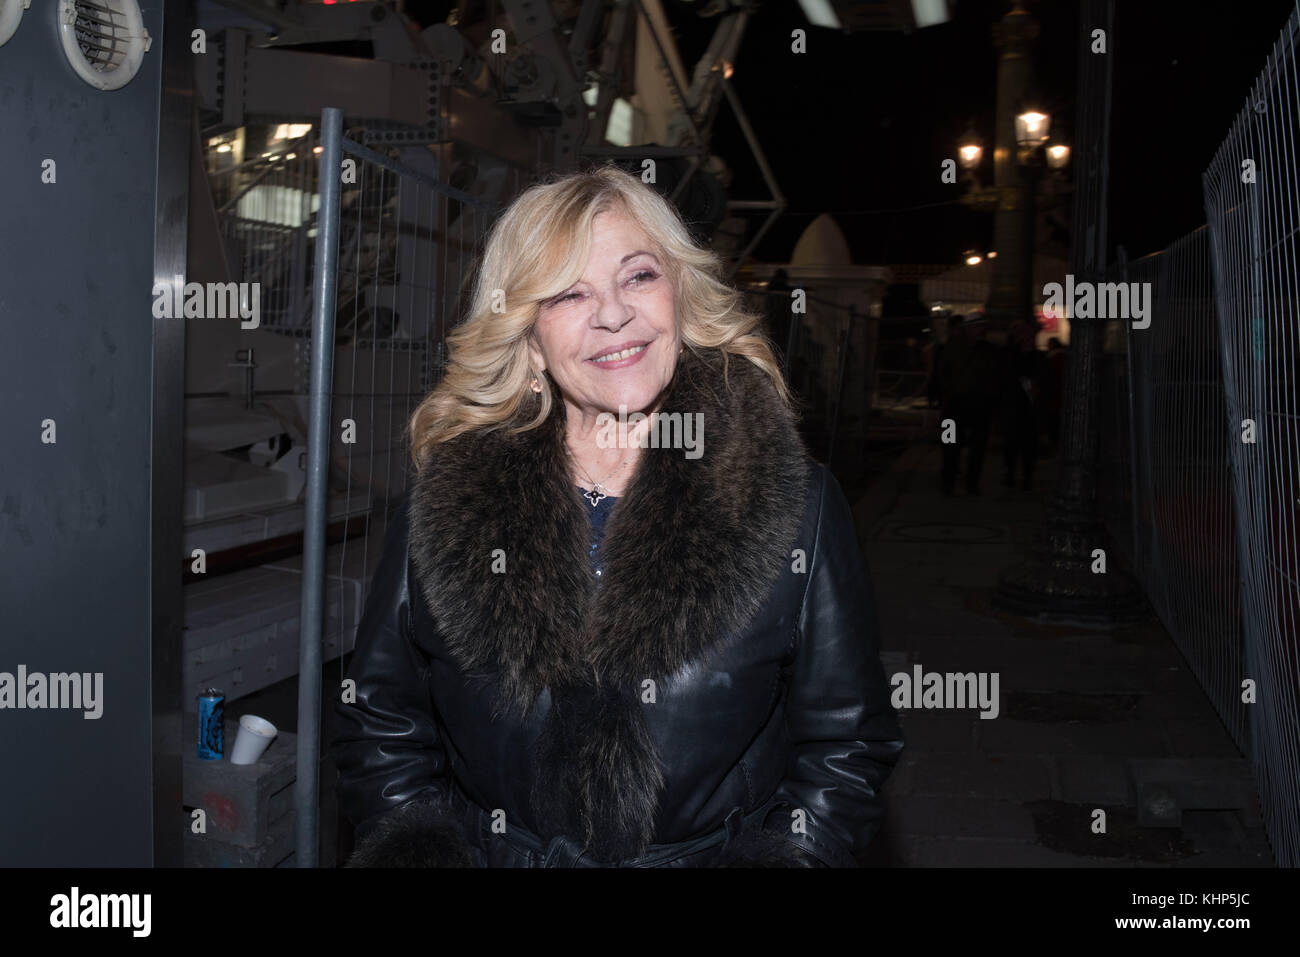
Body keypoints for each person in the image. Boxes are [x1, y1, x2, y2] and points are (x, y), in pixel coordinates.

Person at [331, 165, 903, 867]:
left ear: (679, 295)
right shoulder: (448, 497)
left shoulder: (798, 505)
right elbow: (380, 715)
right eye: (569, 292)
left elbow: (847, 743)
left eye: (637, 276)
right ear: (530, 341)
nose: (612, 313)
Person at [936, 313, 1002, 495]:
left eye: (981, 326)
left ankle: (971, 483)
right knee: (949, 445)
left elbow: (995, 378)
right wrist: (946, 395)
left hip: (979, 406)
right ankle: (948, 481)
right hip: (954, 405)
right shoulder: (952, 348)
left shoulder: (989, 351)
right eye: (976, 326)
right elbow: (942, 374)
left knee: (977, 448)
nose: (979, 329)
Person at [999, 319, 1047, 491]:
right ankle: (1010, 472)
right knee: (1011, 442)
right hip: (1013, 405)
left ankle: (1027, 475)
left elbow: (1043, 378)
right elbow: (1005, 376)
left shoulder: (1038, 356)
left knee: (1029, 444)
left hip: (1030, 406)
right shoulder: (1010, 355)